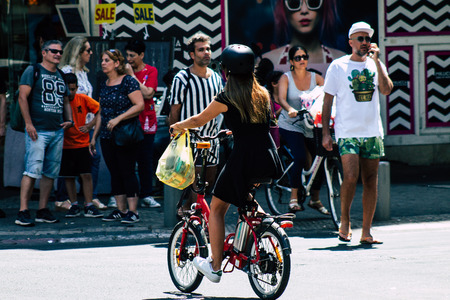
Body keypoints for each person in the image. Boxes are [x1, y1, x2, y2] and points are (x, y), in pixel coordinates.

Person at [171, 44, 278, 283]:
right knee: (246, 202)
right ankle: (264, 227)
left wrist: (177, 126)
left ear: (225, 71)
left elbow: (200, 119)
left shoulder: (226, 97)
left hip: (243, 160)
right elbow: (257, 124)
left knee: (217, 208)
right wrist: (234, 130)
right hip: (268, 157)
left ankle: (215, 266)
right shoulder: (262, 93)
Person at [322, 22, 393, 244]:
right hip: (347, 132)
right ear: (350, 42)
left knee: (371, 180)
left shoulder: (375, 65)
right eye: (360, 39)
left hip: (372, 131)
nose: (364, 43)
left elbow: (386, 89)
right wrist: (326, 133)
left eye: (367, 39)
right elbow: (327, 101)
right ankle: (345, 221)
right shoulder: (338, 66)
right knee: (350, 177)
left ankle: (367, 232)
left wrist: (378, 62)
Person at [15, 40, 74, 226]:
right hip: (38, 130)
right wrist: (29, 124)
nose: (57, 54)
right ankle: (23, 210)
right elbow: (22, 97)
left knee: (50, 173)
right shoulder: (33, 71)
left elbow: (65, 101)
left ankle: (42, 209)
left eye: (60, 52)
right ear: (44, 53)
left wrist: (70, 120)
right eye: (54, 51)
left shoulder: (61, 75)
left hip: (56, 130)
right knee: (32, 170)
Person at [168, 33, 223, 214]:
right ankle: (197, 219)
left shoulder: (216, 77)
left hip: (213, 138)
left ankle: (187, 211)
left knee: (209, 181)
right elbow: (174, 111)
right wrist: (175, 137)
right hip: (190, 138)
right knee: (196, 182)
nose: (206, 53)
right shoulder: (182, 78)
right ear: (192, 54)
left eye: (208, 49)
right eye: (201, 50)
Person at [92, 49, 144, 224]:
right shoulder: (104, 83)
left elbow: (139, 105)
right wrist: (94, 137)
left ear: (117, 64)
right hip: (107, 136)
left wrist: (118, 118)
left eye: (107, 60)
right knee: (115, 172)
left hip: (126, 134)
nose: (103, 63)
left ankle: (133, 211)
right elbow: (101, 112)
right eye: (102, 60)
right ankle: (121, 210)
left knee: (127, 171)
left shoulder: (128, 81)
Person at [277, 45, 329, 214]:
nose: (302, 60)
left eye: (304, 57)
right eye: (298, 58)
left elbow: (328, 95)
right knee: (299, 157)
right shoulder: (285, 78)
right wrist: (289, 109)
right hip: (291, 124)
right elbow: (281, 99)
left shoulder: (317, 78)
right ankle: (293, 198)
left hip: (312, 124)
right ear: (291, 61)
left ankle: (315, 199)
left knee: (320, 160)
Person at [57, 36, 106, 211]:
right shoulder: (65, 71)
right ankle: (65, 198)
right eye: (87, 50)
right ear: (78, 52)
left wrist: (93, 123)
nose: (91, 53)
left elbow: (91, 103)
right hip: (72, 125)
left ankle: (89, 198)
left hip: (87, 125)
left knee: (92, 160)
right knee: (69, 163)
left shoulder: (83, 72)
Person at [59, 73, 103, 218]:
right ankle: (74, 204)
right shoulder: (59, 101)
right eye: (68, 89)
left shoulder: (82, 99)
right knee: (69, 176)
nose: (70, 93)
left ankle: (89, 204)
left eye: (73, 89)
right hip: (65, 144)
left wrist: (90, 125)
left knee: (86, 174)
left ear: (77, 88)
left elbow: (100, 110)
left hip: (82, 143)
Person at [124, 38, 161, 208]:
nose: (129, 59)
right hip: (129, 121)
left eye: (132, 55)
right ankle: (125, 194)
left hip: (146, 121)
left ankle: (147, 194)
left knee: (145, 159)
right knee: (127, 160)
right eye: (127, 55)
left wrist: (131, 76)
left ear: (141, 55)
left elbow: (148, 93)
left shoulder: (151, 71)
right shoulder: (121, 71)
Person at [262, 0, 345, 75]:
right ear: (284, 8)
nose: (304, 10)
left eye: (313, 3)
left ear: (323, 7)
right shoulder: (267, 62)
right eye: (294, 4)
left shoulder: (342, 61)